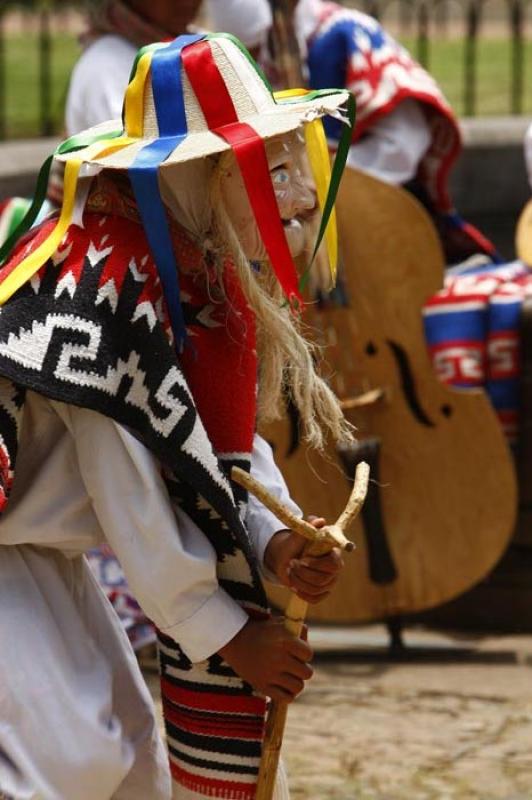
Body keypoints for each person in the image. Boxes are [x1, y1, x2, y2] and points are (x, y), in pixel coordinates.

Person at [0, 33, 352, 800]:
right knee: (65, 767)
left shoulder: (188, 276)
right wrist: (229, 636)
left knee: (125, 761)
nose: (288, 193)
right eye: (262, 165)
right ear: (206, 172)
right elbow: (133, 496)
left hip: (37, 557)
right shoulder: (104, 288)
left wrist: (278, 540)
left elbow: (219, 452)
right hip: (7, 560)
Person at [292, 0, 499, 265]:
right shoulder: (314, 36)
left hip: (385, 190)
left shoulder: (329, 44)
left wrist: (324, 182)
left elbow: (403, 143)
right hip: (358, 183)